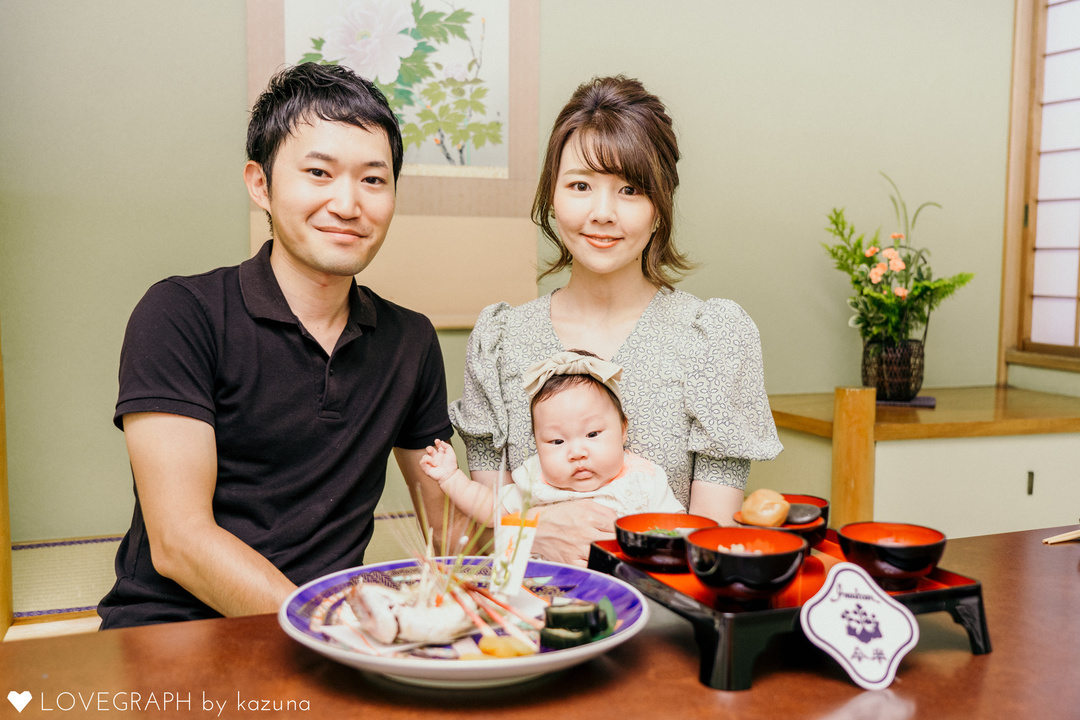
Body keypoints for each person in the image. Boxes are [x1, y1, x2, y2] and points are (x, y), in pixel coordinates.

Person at [98, 63, 454, 628]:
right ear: (260, 184)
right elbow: (179, 541)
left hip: (332, 644)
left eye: (373, 179)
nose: (347, 203)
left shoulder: (410, 341)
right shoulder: (180, 314)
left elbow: (449, 535)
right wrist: (334, 631)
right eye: (319, 172)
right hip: (176, 633)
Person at [448, 76, 782, 566]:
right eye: (581, 185)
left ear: (659, 206)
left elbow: (709, 544)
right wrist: (538, 534)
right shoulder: (500, 341)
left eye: (630, 189)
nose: (602, 213)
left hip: (662, 620)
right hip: (527, 620)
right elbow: (482, 537)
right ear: (552, 195)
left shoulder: (712, 338)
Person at [421, 351, 683, 524]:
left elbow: (678, 529)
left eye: (592, 434)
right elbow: (491, 511)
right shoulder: (535, 481)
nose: (577, 452)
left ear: (623, 430)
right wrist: (450, 477)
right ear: (537, 444)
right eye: (557, 441)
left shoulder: (644, 480)